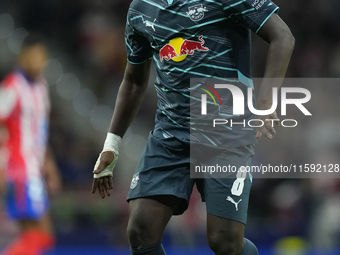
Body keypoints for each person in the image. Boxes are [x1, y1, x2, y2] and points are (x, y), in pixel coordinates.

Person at [91, 0, 295, 254]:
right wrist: (112, 144)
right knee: (140, 230)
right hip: (170, 134)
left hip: (226, 131)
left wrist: (266, 99)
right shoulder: (141, 9)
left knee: (225, 242)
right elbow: (133, 80)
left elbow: (283, 36)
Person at [0, 34, 61, 255]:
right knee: (43, 234)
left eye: (41, 57)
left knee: (33, 237)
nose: (37, 62)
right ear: (23, 58)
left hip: (34, 170)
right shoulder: (12, 87)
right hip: (18, 169)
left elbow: (40, 133)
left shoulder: (41, 88)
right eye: (33, 57)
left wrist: (50, 167)